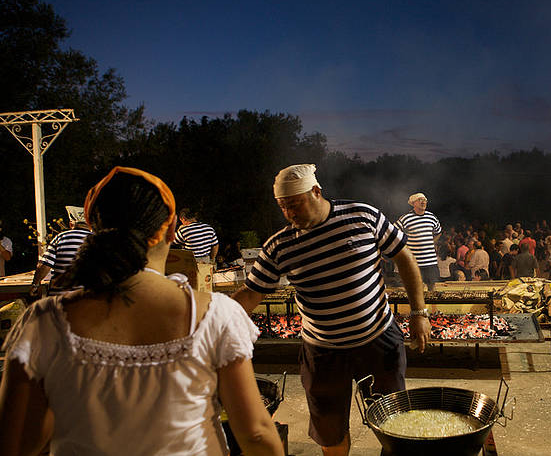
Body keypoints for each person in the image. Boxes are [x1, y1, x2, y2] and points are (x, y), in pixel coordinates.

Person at [0, 166, 284, 456]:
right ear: (173, 229)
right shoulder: (215, 315)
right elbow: (257, 434)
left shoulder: (43, 321)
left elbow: (18, 442)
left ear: (92, 227)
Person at [233, 164, 431, 456]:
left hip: (378, 342)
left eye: (295, 204)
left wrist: (419, 313)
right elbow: (250, 294)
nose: (289, 213)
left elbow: (404, 257)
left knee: (393, 424)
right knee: (330, 432)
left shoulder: (362, 215)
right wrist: (206, 320)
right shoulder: (279, 246)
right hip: (323, 353)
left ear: (316, 191)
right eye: (283, 207)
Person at [29, 206, 93, 297]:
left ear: (71, 224)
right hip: (86, 300)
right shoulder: (97, 240)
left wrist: (35, 284)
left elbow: (44, 265)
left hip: (60, 299)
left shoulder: (61, 237)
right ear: (90, 224)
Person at [396, 192, 442, 292]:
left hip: (430, 260)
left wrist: (432, 243)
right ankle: (419, 308)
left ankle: (432, 308)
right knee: (416, 287)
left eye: (425, 200)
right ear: (413, 203)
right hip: (414, 261)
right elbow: (394, 233)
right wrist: (403, 247)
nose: (423, 202)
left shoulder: (431, 217)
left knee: (432, 287)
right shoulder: (406, 218)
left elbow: (438, 232)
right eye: (420, 200)